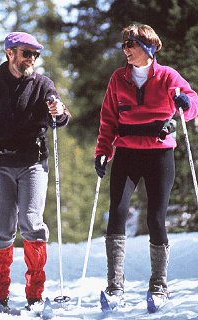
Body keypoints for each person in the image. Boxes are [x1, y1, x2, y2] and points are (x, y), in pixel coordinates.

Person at [0, 31, 70, 312]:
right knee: (2, 229)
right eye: (26, 53)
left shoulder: (43, 84)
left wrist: (59, 111)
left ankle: (35, 294)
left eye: (35, 54)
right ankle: (0, 294)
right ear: (10, 53)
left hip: (34, 162)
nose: (31, 59)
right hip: (1, 164)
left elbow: (58, 114)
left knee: (32, 224)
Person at [94, 23, 198, 309]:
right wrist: (103, 151)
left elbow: (192, 103)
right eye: (124, 45)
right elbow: (108, 119)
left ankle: (159, 286)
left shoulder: (168, 77)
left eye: (132, 45)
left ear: (149, 48)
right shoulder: (118, 79)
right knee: (117, 213)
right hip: (127, 152)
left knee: (155, 217)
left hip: (158, 154)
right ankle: (115, 286)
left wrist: (185, 103)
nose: (126, 50)